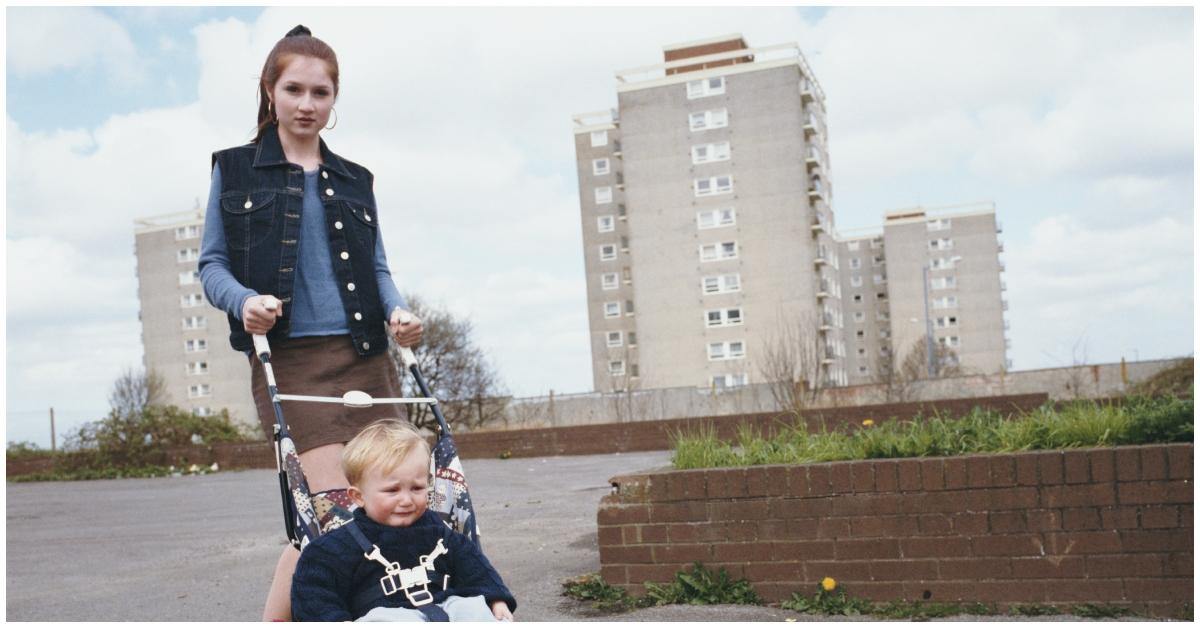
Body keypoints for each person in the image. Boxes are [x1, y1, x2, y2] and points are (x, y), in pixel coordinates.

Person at [198, 25, 423, 621]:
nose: (306, 104)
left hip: (368, 357)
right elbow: (212, 264)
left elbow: (377, 268)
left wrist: (398, 311)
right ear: (270, 90)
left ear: (333, 99)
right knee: (334, 515)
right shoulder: (236, 170)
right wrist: (243, 301)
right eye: (293, 89)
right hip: (291, 360)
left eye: (320, 93)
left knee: (390, 511)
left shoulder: (356, 179)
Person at [291, 419, 516, 621]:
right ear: (358, 497)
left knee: (472, 608)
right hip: (384, 615)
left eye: (417, 488)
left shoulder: (440, 534)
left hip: (446, 606)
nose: (407, 500)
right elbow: (315, 593)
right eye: (392, 490)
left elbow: (475, 566)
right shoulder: (333, 549)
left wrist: (495, 600)